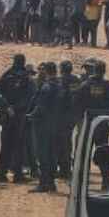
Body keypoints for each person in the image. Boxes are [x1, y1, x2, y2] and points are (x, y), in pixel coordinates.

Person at [75, 60, 109, 191]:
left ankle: (82, 183)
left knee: (85, 153)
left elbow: (77, 102)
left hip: (89, 122)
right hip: (103, 123)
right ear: (104, 71)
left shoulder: (85, 85)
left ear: (94, 70)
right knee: (103, 152)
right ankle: (105, 182)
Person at [0, 55, 35, 183]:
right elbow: (30, 97)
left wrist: (7, 106)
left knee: (6, 144)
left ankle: (1, 173)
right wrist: (16, 107)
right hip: (19, 115)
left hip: (8, 114)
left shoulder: (7, 75)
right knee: (19, 145)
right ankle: (17, 175)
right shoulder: (26, 77)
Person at [29, 62, 66, 193]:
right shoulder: (60, 86)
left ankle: (43, 183)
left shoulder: (47, 87)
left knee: (42, 154)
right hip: (56, 125)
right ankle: (51, 183)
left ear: (47, 71)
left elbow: (41, 106)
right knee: (52, 154)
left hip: (43, 125)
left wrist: (31, 115)